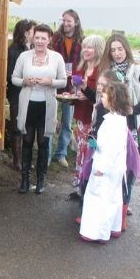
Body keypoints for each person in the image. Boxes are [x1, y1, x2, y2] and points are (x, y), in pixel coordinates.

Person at [98, 32, 140, 223]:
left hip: (130, 124)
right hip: (110, 123)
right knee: (111, 164)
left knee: (128, 166)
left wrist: (134, 110)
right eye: (113, 50)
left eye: (120, 49)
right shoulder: (106, 71)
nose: (117, 53)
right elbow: (100, 98)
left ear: (126, 49)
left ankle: (124, 206)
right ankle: (112, 203)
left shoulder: (137, 71)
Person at [11, 24, 67, 194]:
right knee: (27, 140)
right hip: (28, 104)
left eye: (44, 38)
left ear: (49, 40)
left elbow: (63, 81)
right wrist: (24, 81)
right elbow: (14, 78)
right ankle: (25, 180)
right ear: (32, 38)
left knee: (43, 142)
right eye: (37, 37)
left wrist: (51, 82)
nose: (40, 41)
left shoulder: (57, 57)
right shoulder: (24, 56)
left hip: (46, 105)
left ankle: (41, 179)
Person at [79, 81, 131, 243]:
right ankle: (113, 227)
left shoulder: (112, 123)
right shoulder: (119, 119)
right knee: (113, 196)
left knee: (98, 196)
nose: (101, 97)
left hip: (106, 165)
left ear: (113, 100)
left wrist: (102, 168)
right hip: (116, 167)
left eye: (104, 95)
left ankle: (98, 232)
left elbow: (110, 148)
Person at [70, 34, 105, 196]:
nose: (85, 50)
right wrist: (73, 94)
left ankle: (87, 187)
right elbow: (76, 92)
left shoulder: (102, 71)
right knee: (80, 150)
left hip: (94, 117)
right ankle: (80, 187)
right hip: (80, 114)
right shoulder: (80, 68)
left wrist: (85, 92)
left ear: (98, 49)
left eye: (89, 47)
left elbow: (101, 98)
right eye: (84, 47)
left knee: (88, 152)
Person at [51, 9, 84, 167]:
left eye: (68, 21)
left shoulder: (82, 41)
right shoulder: (56, 38)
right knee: (50, 118)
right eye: (63, 20)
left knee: (67, 121)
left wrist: (75, 75)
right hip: (54, 82)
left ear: (75, 22)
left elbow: (83, 65)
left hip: (72, 85)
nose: (65, 23)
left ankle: (61, 153)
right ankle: (48, 153)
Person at [6, 19, 35, 171]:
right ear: (25, 32)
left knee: (28, 126)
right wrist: (25, 80)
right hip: (17, 93)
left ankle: (25, 159)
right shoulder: (14, 50)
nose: (35, 34)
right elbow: (10, 74)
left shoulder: (33, 48)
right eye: (33, 31)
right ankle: (17, 161)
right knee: (17, 126)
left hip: (32, 92)